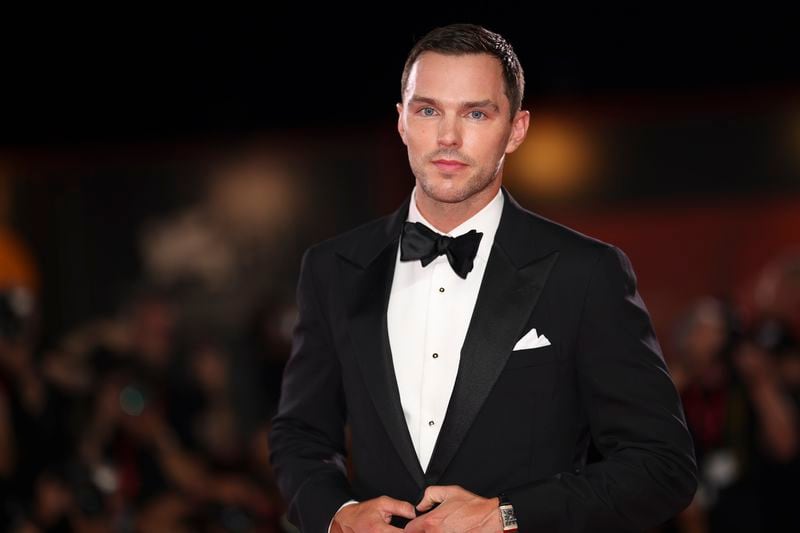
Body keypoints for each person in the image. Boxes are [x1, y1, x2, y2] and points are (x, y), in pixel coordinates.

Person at [268, 23, 697, 533]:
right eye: (428, 110)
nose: (448, 137)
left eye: (476, 113)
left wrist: (508, 515)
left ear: (516, 129)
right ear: (401, 121)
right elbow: (300, 434)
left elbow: (662, 466)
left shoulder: (585, 272)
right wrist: (337, 515)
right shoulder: (334, 268)